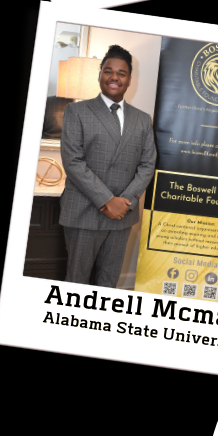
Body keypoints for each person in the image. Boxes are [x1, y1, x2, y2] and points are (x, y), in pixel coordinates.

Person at [59, 45, 157, 287]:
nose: (114, 77)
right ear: (100, 74)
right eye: (108, 71)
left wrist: (125, 202)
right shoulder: (76, 111)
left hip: (122, 214)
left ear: (129, 79)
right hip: (84, 211)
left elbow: (147, 164)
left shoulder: (142, 119)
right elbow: (73, 161)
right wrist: (106, 200)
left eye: (121, 73)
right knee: (76, 282)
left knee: (108, 283)